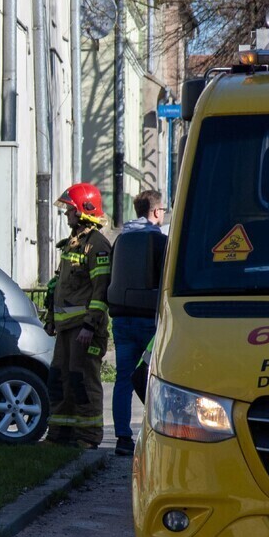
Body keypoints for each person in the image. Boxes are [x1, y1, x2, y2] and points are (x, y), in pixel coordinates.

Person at [43, 183, 114, 449]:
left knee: (82, 381)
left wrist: (89, 325)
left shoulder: (97, 246)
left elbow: (101, 290)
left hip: (84, 329)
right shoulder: (72, 244)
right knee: (60, 380)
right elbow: (59, 285)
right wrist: (51, 318)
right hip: (65, 328)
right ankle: (59, 435)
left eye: (69, 210)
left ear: (83, 210)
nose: (66, 215)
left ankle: (88, 436)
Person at [108, 189, 169, 456]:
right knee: (153, 378)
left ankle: (122, 438)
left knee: (123, 378)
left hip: (121, 320)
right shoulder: (159, 242)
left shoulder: (120, 241)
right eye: (163, 211)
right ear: (156, 212)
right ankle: (156, 436)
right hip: (149, 322)